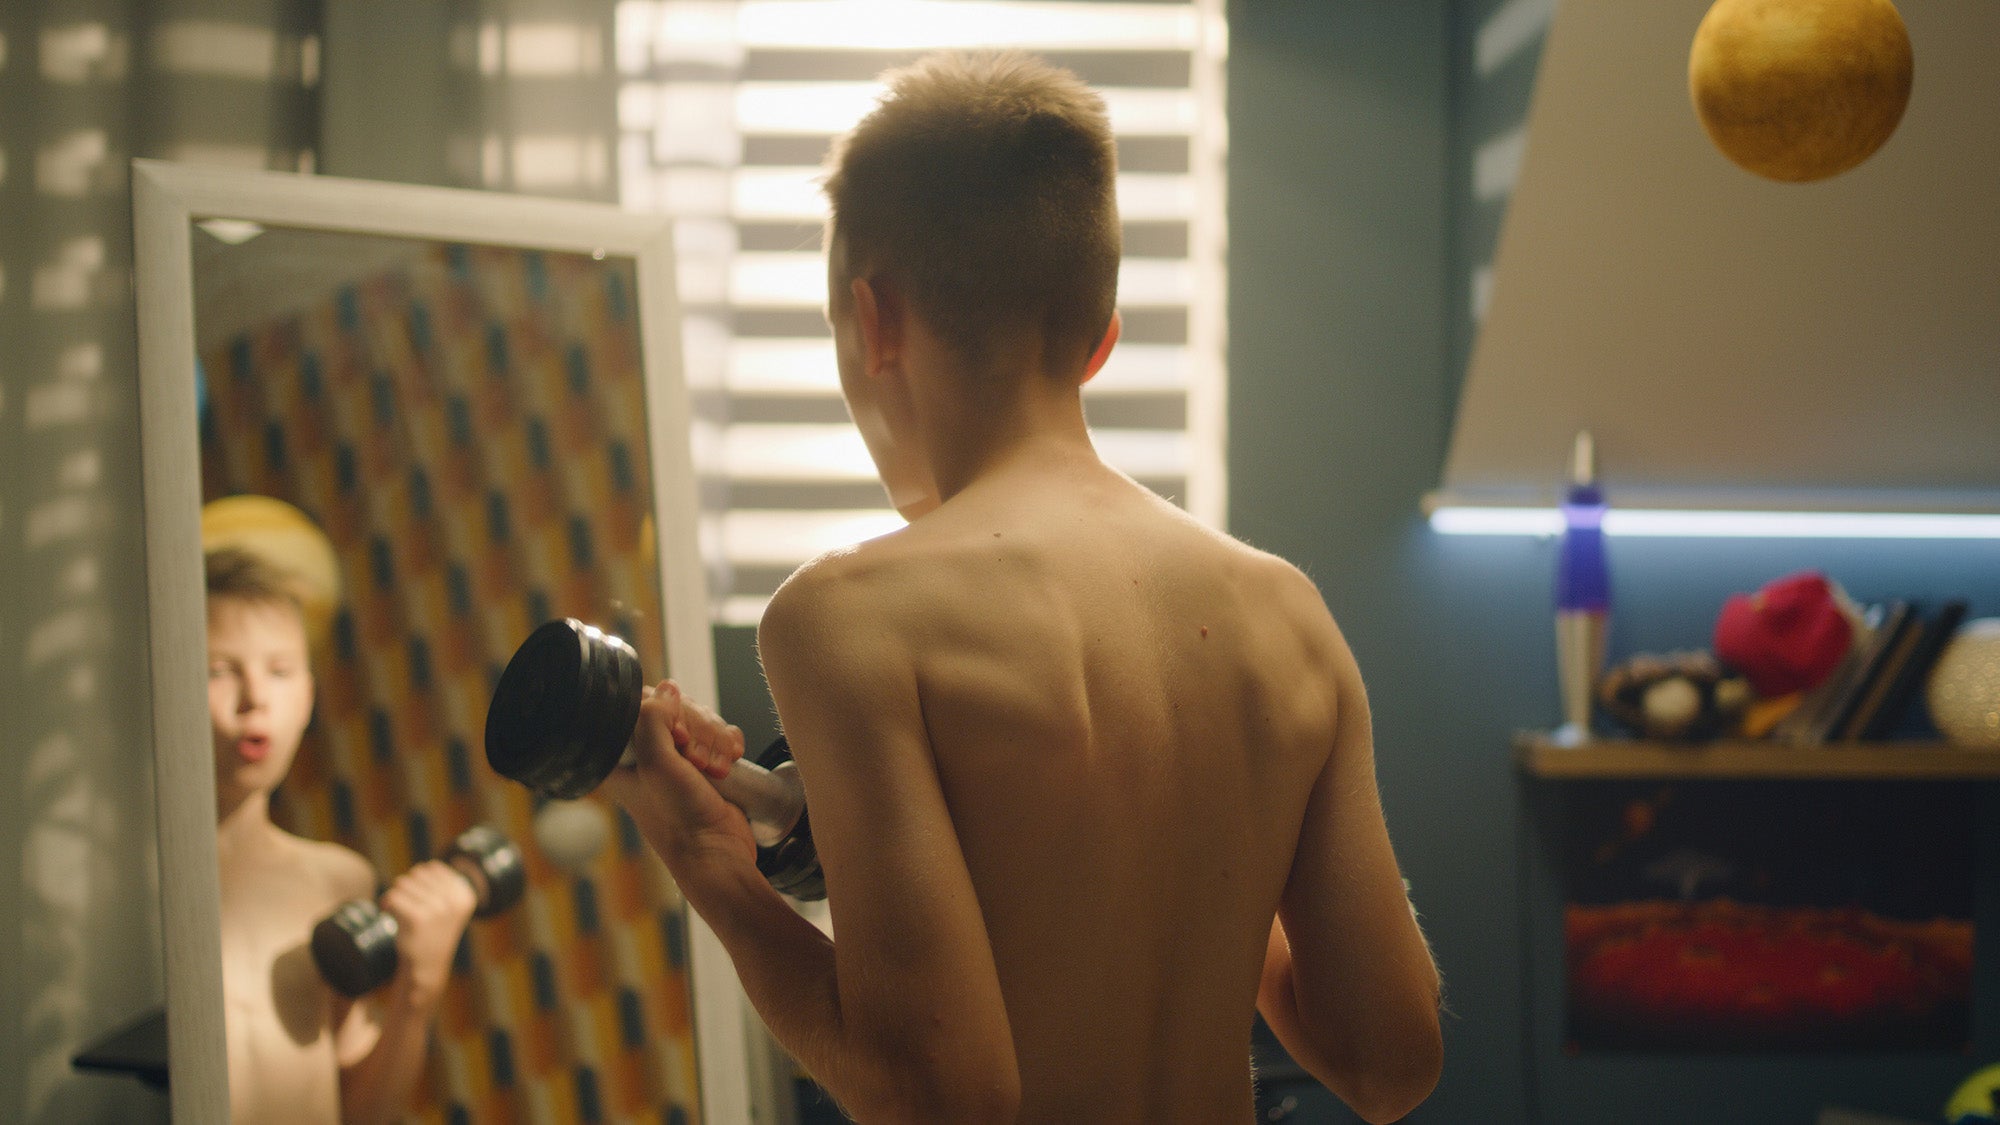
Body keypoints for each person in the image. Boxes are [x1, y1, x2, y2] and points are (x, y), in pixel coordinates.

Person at [607, 51, 1442, 1123]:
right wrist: (1203, 856)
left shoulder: (849, 620)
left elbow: (943, 1099)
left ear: (873, 322)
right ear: (1099, 338)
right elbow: (1389, 1061)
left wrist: (708, 863)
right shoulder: (1283, 612)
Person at [206, 546, 476, 1123]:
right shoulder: (122, 894)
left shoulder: (336, 879)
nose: (255, 699)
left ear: (306, 697)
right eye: (218, 671)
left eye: (279, 671)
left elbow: (363, 1114)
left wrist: (416, 993)